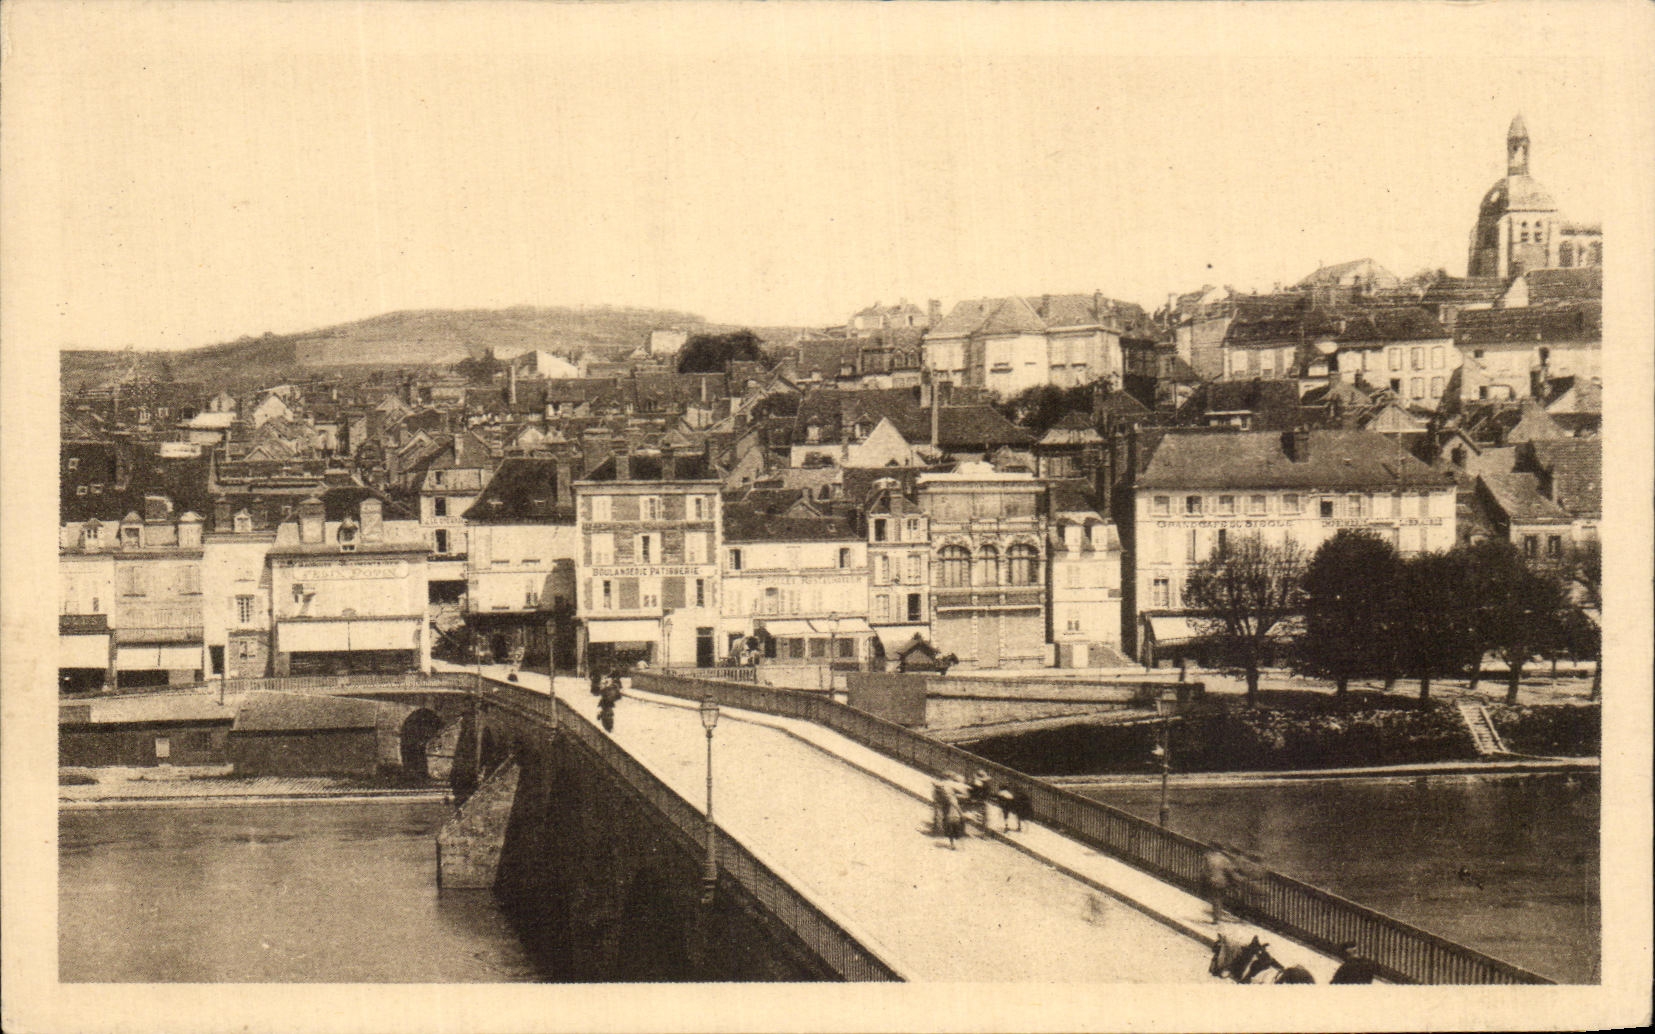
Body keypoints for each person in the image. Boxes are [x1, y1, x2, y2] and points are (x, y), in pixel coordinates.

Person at [1202, 842, 1240, 923]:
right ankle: (1218, 916)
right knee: (1219, 898)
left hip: (1212, 880)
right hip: (1222, 881)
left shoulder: (1209, 857)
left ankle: (1216, 916)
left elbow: (1205, 870)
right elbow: (1230, 870)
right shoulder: (1224, 859)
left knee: (1215, 898)